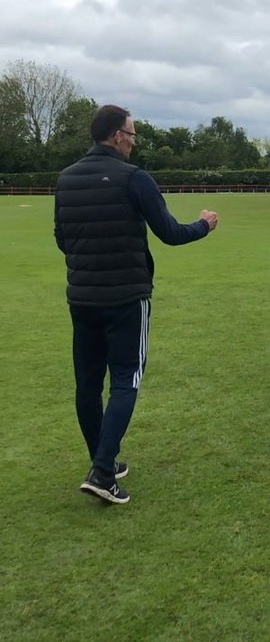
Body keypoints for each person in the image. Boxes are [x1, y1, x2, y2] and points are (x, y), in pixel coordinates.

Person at [54, 105, 219, 505]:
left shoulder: (66, 178)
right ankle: (103, 470)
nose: (133, 140)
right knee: (127, 377)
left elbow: (62, 239)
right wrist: (205, 225)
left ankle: (102, 460)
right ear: (115, 135)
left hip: (82, 296)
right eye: (132, 133)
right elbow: (170, 233)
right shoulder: (134, 178)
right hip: (127, 297)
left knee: (89, 383)